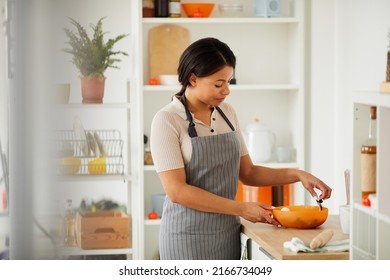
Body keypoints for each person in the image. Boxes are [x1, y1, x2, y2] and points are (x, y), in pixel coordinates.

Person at [150, 37, 332, 260]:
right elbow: (177, 192)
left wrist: (298, 175)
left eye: (229, 82)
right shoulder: (167, 120)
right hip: (186, 237)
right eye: (219, 84)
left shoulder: (227, 113)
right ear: (193, 78)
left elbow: (248, 173)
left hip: (226, 235)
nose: (226, 90)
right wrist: (241, 208)